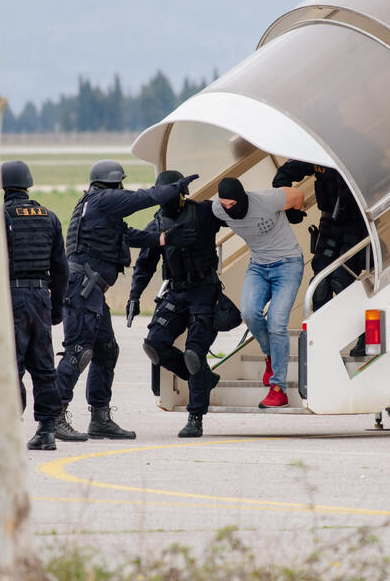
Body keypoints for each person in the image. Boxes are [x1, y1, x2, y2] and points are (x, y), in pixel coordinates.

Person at [55, 160, 198, 440]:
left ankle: (100, 418)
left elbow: (127, 236)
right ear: (114, 183)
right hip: (83, 289)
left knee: (106, 350)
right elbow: (144, 197)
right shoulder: (103, 199)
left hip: (91, 290)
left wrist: (165, 239)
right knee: (78, 352)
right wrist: (173, 188)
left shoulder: (97, 207)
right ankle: (53, 416)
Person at [127, 170, 226, 437]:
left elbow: (238, 217)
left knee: (194, 354)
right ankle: (202, 378)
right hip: (176, 291)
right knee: (154, 347)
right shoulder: (156, 225)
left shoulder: (203, 212)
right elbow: (144, 265)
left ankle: (196, 417)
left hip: (204, 291)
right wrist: (134, 295)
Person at [210, 177, 304, 408]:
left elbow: (298, 194)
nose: (229, 210)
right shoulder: (217, 208)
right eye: (224, 205)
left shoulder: (267, 199)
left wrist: (295, 212)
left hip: (288, 263)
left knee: (276, 321)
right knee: (250, 314)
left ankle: (278, 388)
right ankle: (270, 356)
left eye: (233, 205)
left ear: (242, 198)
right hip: (258, 266)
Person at [0, 160, 68, 451]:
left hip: (10, 298)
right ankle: (47, 430)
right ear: (28, 185)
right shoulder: (49, 217)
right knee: (43, 367)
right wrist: (56, 307)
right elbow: (61, 268)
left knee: (10, 367)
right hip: (41, 298)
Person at [272, 160, 368, 355]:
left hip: (357, 225)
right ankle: (324, 341)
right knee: (319, 285)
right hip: (329, 225)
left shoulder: (358, 148)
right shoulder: (317, 154)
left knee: (342, 280)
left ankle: (364, 335)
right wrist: (289, 207)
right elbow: (283, 175)